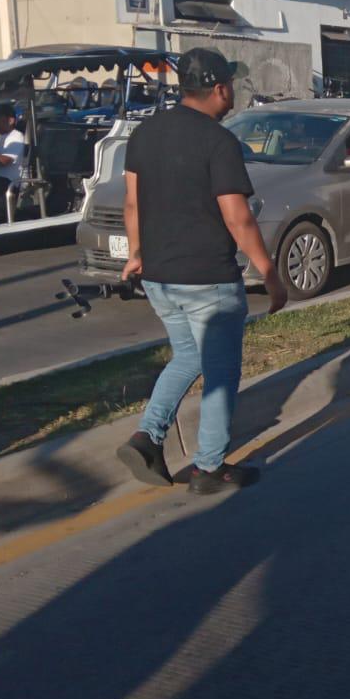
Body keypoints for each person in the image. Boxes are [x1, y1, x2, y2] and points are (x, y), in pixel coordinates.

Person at [113, 48, 288, 495]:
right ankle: (209, 468)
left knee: (188, 356)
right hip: (208, 279)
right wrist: (269, 273)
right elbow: (237, 218)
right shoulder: (218, 142)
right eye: (230, 83)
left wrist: (136, 253)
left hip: (159, 277)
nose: (233, 91)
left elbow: (132, 203)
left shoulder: (144, 134)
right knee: (222, 372)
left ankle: (148, 436)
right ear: (217, 88)